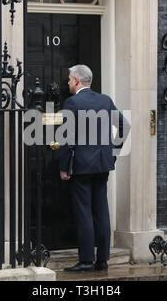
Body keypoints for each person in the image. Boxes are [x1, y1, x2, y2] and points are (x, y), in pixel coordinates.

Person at [60, 65, 130, 272]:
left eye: (69, 79)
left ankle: (86, 260)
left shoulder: (72, 102)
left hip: (81, 167)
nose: (68, 83)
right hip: (102, 165)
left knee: (84, 213)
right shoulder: (105, 100)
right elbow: (125, 126)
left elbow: (67, 138)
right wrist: (112, 154)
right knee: (101, 211)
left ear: (77, 81)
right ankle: (103, 260)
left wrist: (64, 167)